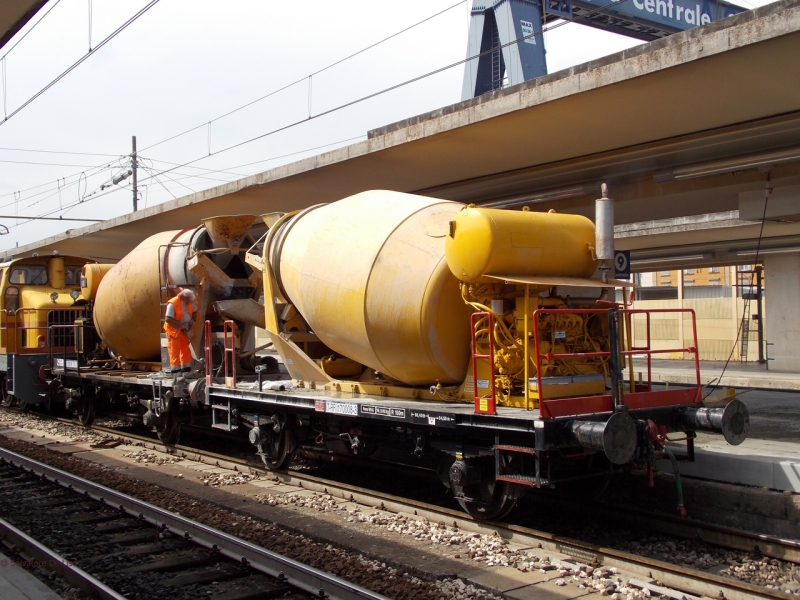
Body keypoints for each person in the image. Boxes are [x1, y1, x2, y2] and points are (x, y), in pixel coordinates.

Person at [164, 288, 196, 375]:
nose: (189, 302)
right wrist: (181, 325)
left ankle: (186, 370)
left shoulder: (188, 303)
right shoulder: (173, 303)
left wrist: (192, 320)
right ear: (183, 297)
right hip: (174, 331)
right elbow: (168, 319)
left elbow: (194, 312)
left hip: (183, 331)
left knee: (185, 350)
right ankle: (175, 372)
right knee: (174, 351)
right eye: (188, 300)